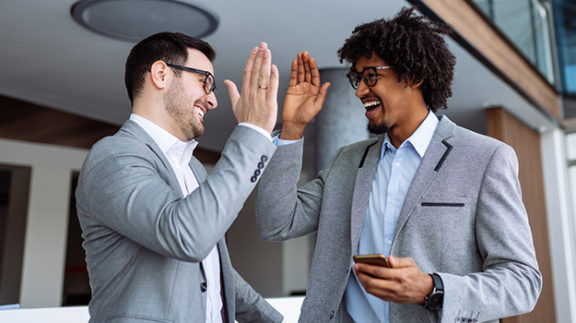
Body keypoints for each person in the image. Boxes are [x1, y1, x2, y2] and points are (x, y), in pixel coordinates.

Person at [256, 7, 542, 323]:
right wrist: (293, 129)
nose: (361, 90)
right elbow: (275, 223)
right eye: (358, 78)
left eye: (371, 76)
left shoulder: (485, 158)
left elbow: (522, 281)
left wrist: (433, 288)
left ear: (414, 75)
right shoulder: (347, 162)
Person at [75, 32, 283, 323]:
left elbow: (213, 269)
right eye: (204, 82)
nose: (212, 100)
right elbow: (188, 237)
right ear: (161, 74)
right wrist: (253, 132)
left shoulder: (194, 168)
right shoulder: (113, 156)